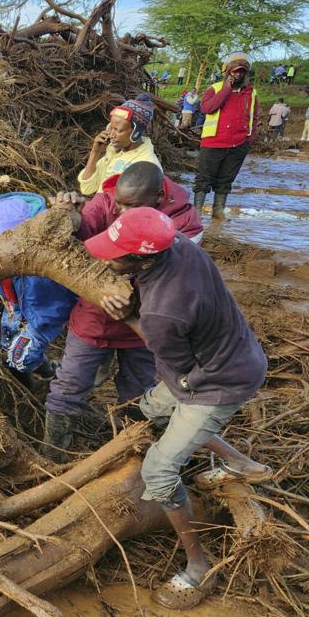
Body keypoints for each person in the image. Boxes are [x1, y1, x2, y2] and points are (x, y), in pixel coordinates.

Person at [86, 206, 271, 611]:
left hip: (217, 381)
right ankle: (243, 464)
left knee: (159, 468)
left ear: (143, 258)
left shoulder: (162, 312)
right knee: (152, 410)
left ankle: (198, 567)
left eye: (115, 253)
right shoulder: (180, 244)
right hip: (234, 351)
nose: (105, 257)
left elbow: (170, 359)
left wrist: (128, 314)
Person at [42, 162, 203, 461]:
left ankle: (129, 454)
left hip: (145, 326)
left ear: (157, 197)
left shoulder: (183, 221)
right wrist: (69, 214)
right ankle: (52, 457)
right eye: (120, 204)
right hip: (95, 316)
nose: (122, 212)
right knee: (69, 385)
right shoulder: (105, 203)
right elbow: (78, 241)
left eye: (133, 206)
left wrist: (131, 301)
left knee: (139, 393)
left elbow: (179, 278)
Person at [0, 193, 77, 389]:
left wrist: (39, 327)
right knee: (8, 347)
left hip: (42, 312)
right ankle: (44, 370)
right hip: (14, 305)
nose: (4, 249)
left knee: (19, 359)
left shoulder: (46, 247)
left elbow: (62, 298)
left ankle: (56, 378)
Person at [193, 52, 258, 220]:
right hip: (213, 142)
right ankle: (196, 213)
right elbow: (207, 108)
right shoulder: (214, 89)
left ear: (246, 74)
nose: (238, 75)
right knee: (203, 180)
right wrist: (227, 89)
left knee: (226, 180)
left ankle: (218, 211)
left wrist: (250, 139)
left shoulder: (251, 93)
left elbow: (254, 116)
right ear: (228, 72)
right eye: (235, 71)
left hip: (239, 144)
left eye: (242, 72)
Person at [78, 94, 161, 195]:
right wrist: (95, 152)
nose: (111, 135)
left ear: (136, 132)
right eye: (111, 128)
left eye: (118, 130)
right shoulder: (113, 152)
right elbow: (87, 189)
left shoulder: (147, 165)